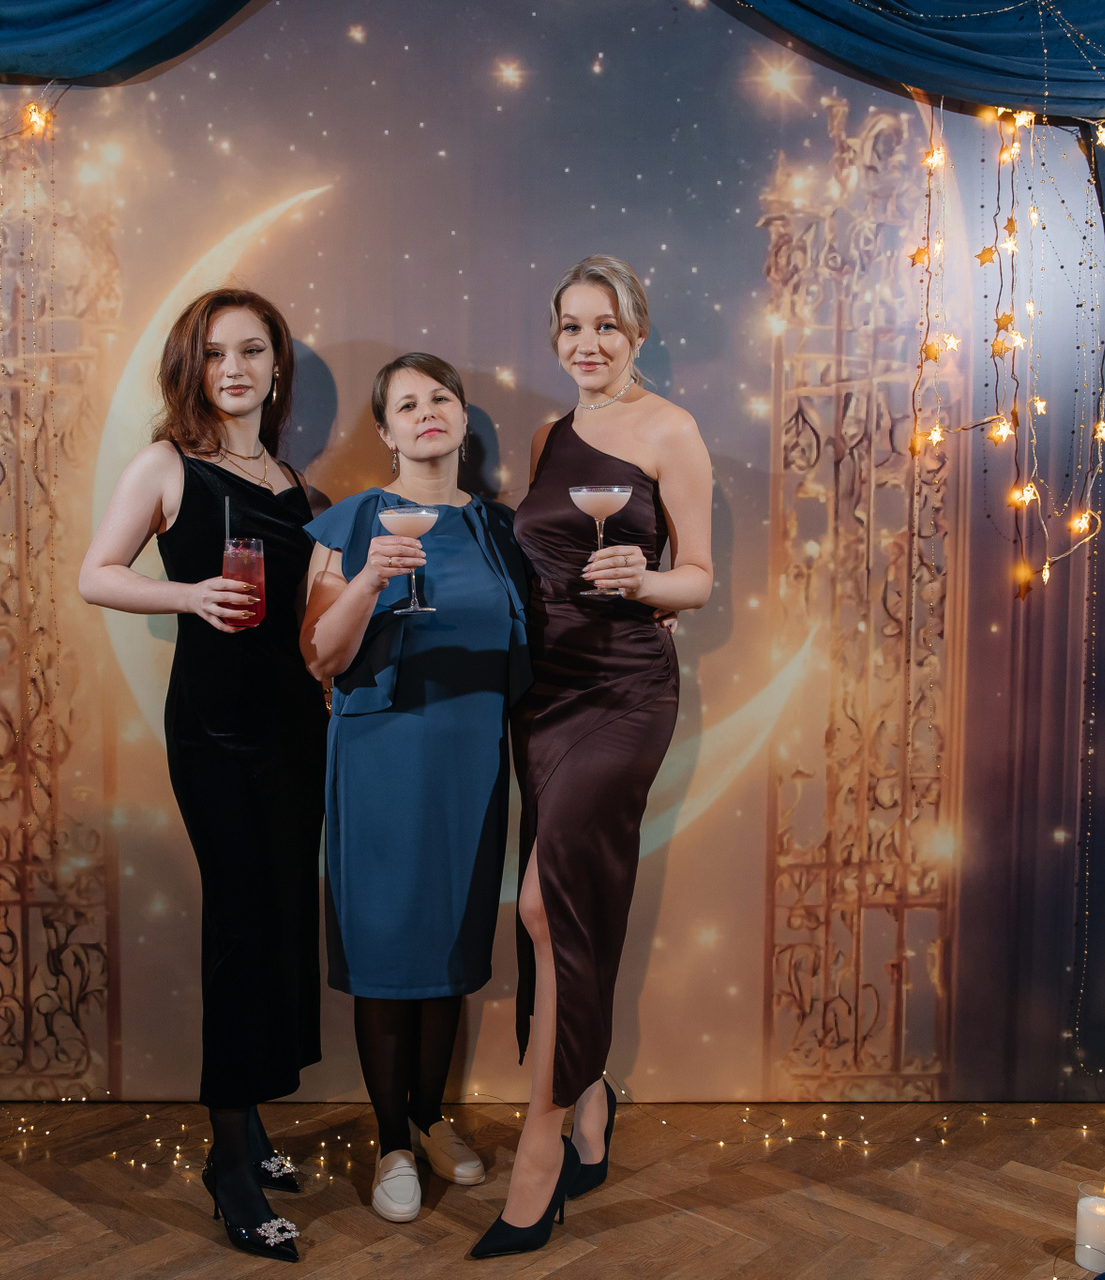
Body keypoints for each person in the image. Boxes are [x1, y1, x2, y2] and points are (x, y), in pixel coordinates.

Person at [78, 288, 323, 1264]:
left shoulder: (295, 483)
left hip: (297, 726)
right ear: (193, 365)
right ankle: (228, 1162)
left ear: (275, 365)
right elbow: (97, 573)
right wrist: (187, 595)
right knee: (240, 926)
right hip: (217, 729)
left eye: (251, 350)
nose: (234, 368)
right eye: (216, 352)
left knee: (281, 918)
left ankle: (252, 1129)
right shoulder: (166, 464)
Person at [477, 255, 714, 1259]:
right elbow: (533, 559)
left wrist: (646, 581)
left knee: (548, 904)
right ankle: (589, 1102)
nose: (588, 343)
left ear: (638, 332)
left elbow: (699, 577)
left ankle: (539, 1158)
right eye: (571, 327)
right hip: (545, 696)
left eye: (606, 325)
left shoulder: (672, 430)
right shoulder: (547, 437)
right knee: (571, 907)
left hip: (624, 692)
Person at [299, 353, 530, 1226]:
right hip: (379, 759)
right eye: (406, 403)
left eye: (440, 397)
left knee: (449, 944)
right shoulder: (353, 521)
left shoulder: (500, 530)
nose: (426, 411)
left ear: (462, 419)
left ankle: (432, 1121)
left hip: (471, 761)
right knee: (388, 946)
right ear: (387, 431)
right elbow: (320, 656)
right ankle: (392, 1140)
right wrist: (370, 579)